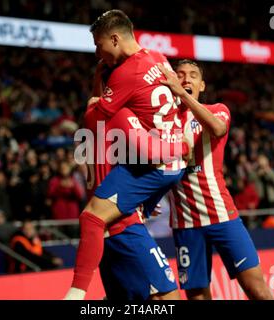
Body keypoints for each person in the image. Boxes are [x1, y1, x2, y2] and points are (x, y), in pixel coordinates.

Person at [64, 10, 188, 300]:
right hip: (166, 166)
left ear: (116, 38)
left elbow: (96, 115)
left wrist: (96, 96)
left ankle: (76, 293)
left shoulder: (121, 86)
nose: (98, 51)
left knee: (92, 217)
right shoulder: (158, 57)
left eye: (99, 44)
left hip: (148, 175)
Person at [158, 59, 274, 300]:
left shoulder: (218, 109)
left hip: (222, 215)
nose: (186, 79)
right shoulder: (161, 123)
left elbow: (218, 129)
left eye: (192, 75)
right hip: (185, 223)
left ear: (202, 85)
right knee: (197, 297)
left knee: (257, 290)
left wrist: (183, 96)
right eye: (179, 75)